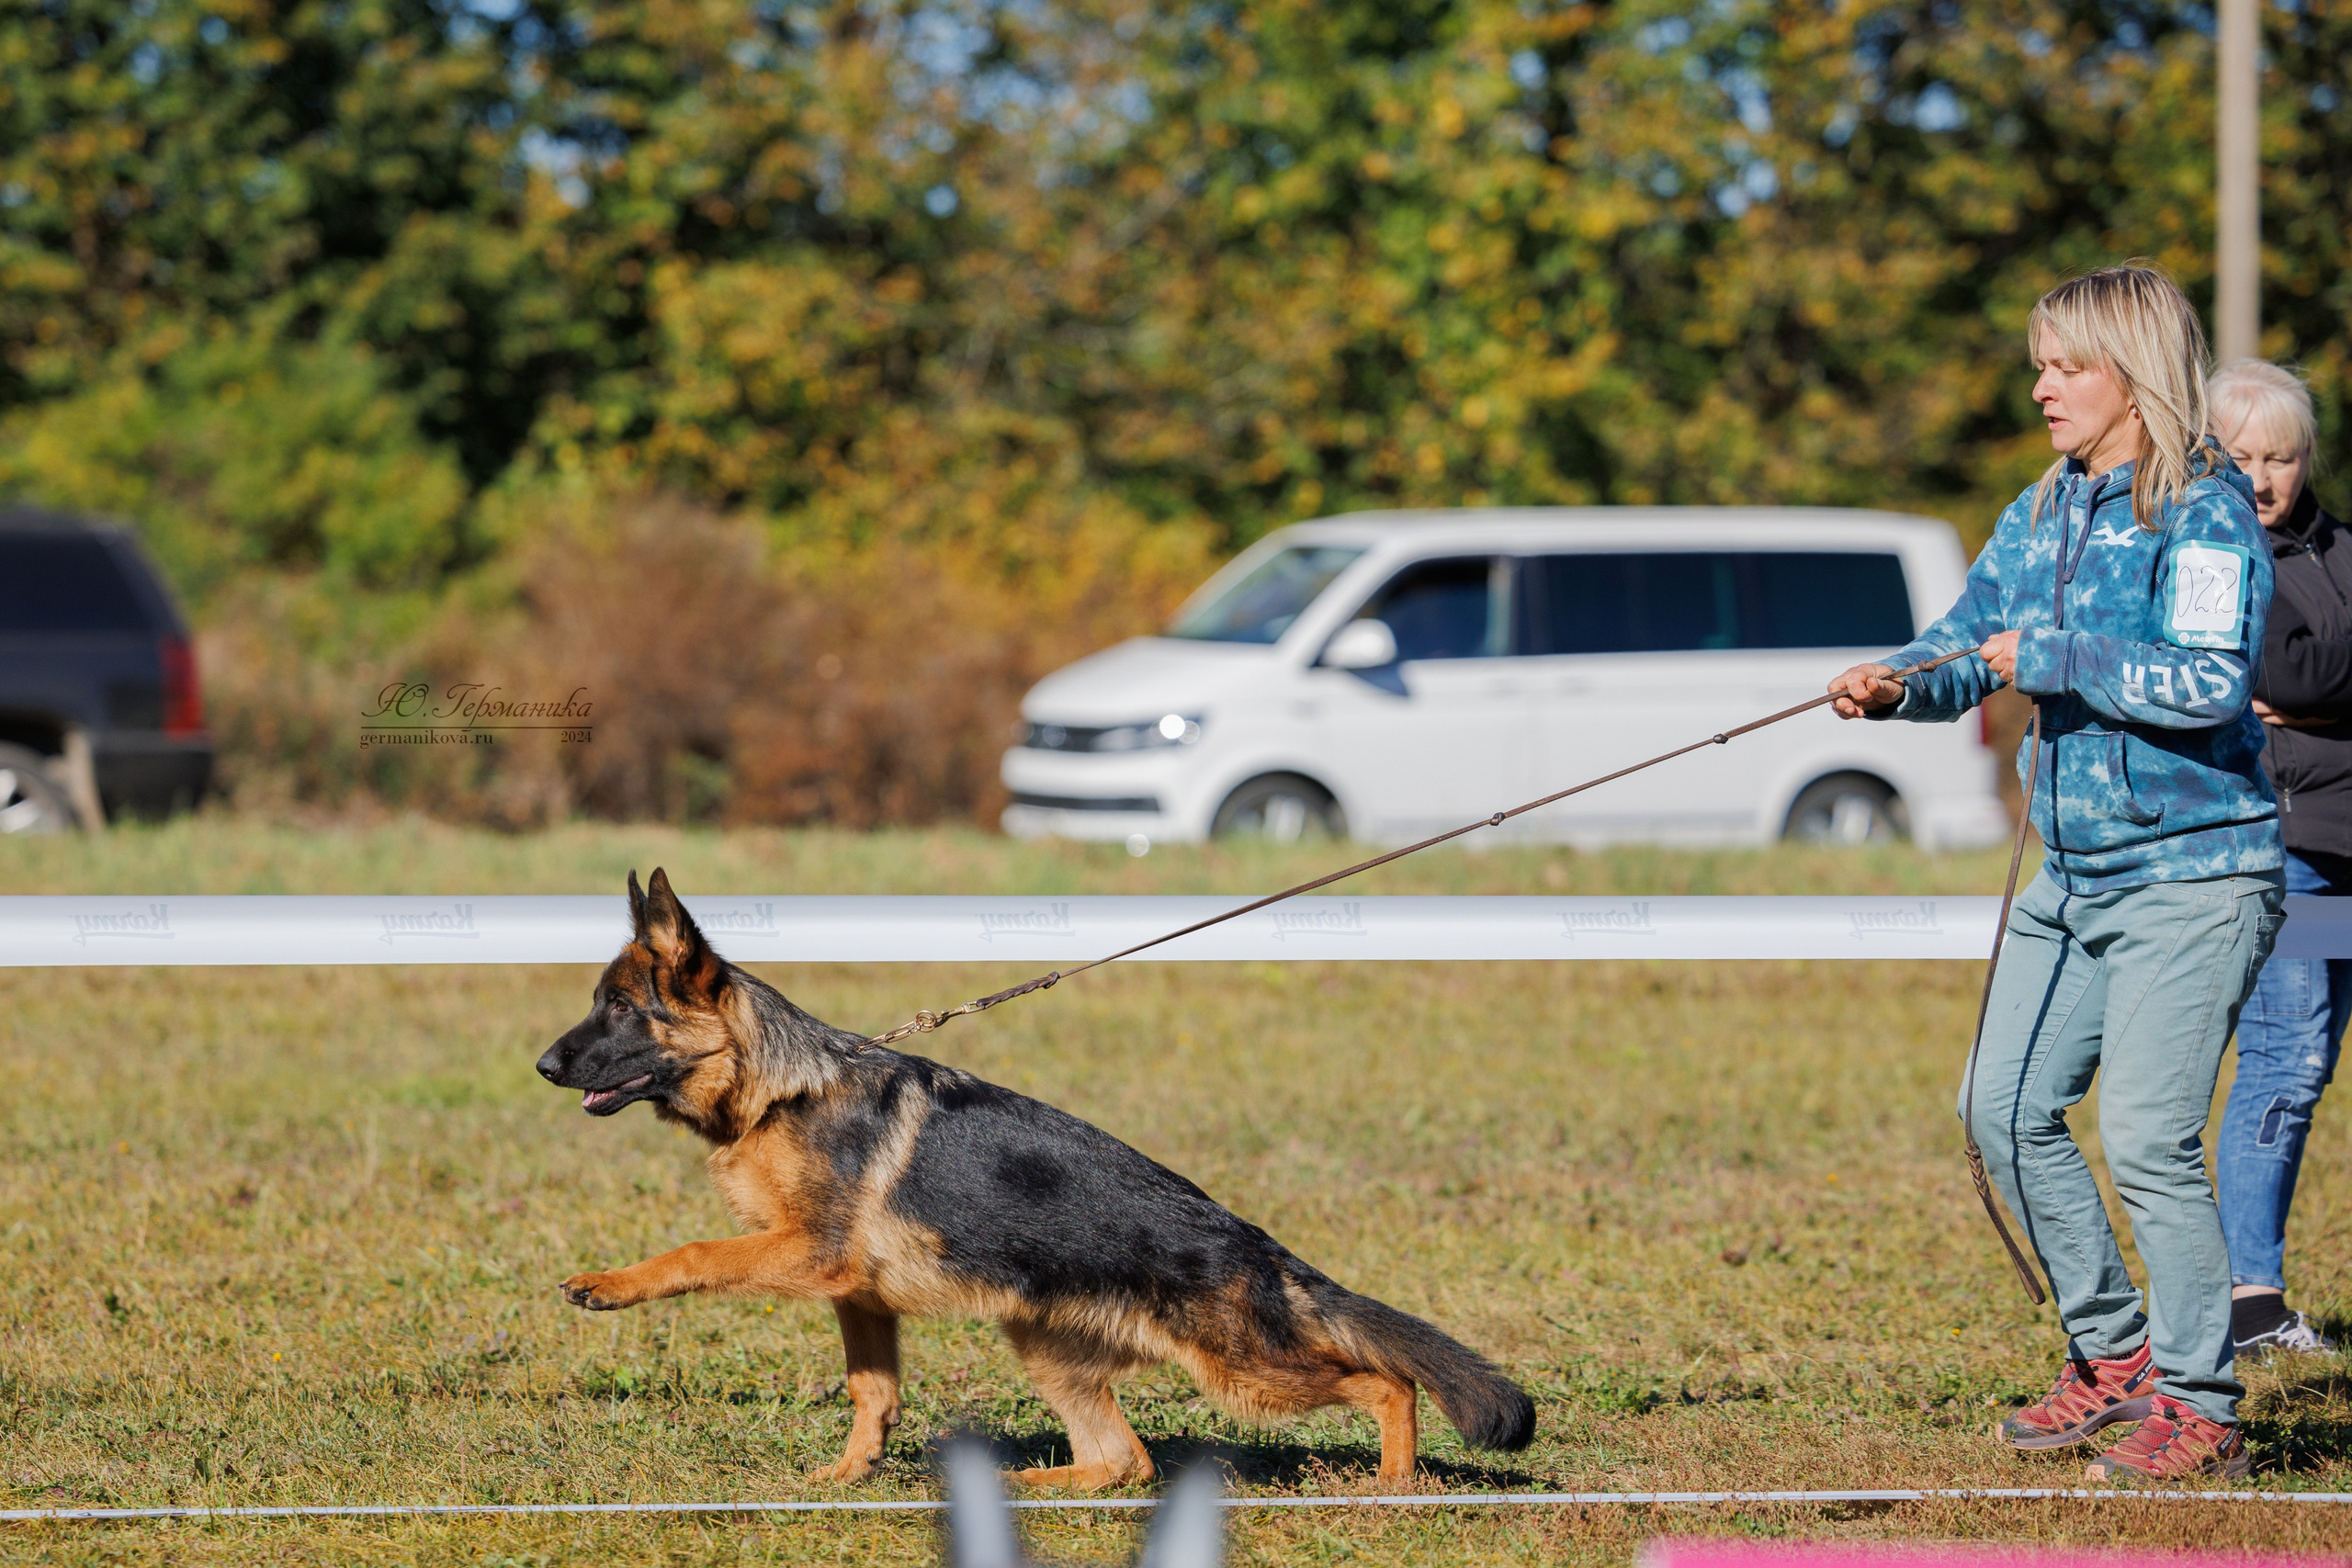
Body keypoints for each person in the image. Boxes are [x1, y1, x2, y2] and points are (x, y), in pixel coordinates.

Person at [1826, 265, 2282, 1482]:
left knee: (2144, 1136)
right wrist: (1898, 680)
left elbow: (2209, 680)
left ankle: (2201, 1406)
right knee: (2001, 1107)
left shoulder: (2203, 512)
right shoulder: (2042, 508)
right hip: (2070, 879)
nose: (2041, 387)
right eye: (2039, 363)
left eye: (2065, 364)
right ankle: (2113, 1358)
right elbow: (1969, 643)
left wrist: (2062, 653)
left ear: (2134, 372)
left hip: (2195, 876)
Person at [2211, 358, 2344, 1357]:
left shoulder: (2338, 550)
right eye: (2241, 456)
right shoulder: (2211, 556)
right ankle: (2246, 1299)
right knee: (2284, 1063)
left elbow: (2302, 682)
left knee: (2311, 1065)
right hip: (2284, 842)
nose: (2262, 478)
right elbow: (2277, 668)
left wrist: (2311, 704)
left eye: (2281, 456)